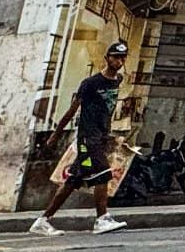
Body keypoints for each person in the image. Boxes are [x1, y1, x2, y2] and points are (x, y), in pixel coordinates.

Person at [31, 41, 131, 236]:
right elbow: (71, 111)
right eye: (115, 57)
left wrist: (109, 135)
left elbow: (106, 112)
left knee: (74, 179)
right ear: (107, 58)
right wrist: (55, 135)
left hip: (99, 138)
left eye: (122, 58)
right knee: (102, 173)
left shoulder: (117, 81)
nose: (119, 61)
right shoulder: (90, 84)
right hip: (87, 140)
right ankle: (102, 219)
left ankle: (43, 221)